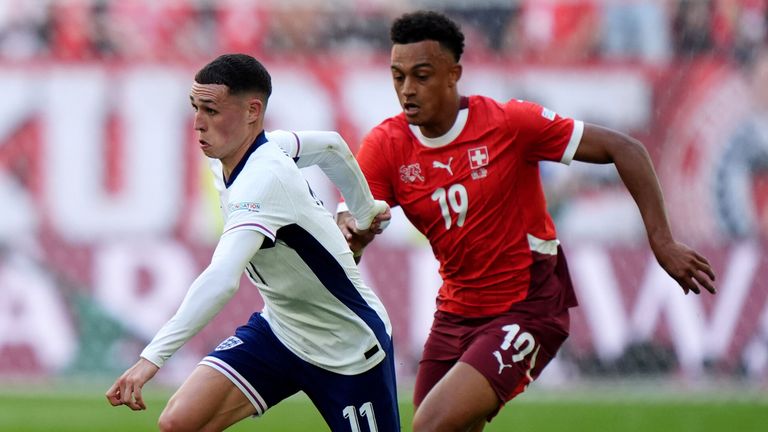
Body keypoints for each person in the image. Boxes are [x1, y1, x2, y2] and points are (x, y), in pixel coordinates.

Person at [336, 10, 717, 432]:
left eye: (421, 75)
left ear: (452, 74)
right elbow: (354, 221)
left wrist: (662, 241)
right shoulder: (387, 146)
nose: (407, 90)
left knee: (431, 425)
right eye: (398, 76)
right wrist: (352, 237)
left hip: (530, 304)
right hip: (456, 311)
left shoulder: (508, 123)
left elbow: (625, 148)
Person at [106, 53, 400, 432]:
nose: (197, 124)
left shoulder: (263, 181)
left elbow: (221, 280)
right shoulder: (253, 149)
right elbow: (331, 147)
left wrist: (151, 358)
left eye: (211, 110)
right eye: (194, 108)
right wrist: (364, 211)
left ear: (252, 110)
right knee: (179, 422)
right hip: (281, 332)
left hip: (348, 349)